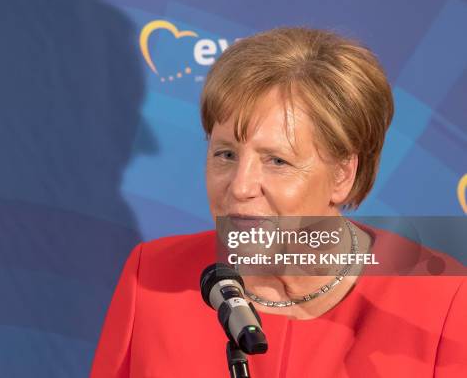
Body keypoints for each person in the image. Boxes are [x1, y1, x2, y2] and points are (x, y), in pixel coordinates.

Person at [90, 27, 466, 377]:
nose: (240, 187)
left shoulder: (442, 301)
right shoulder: (152, 277)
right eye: (226, 155)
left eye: (277, 161)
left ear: (342, 175)